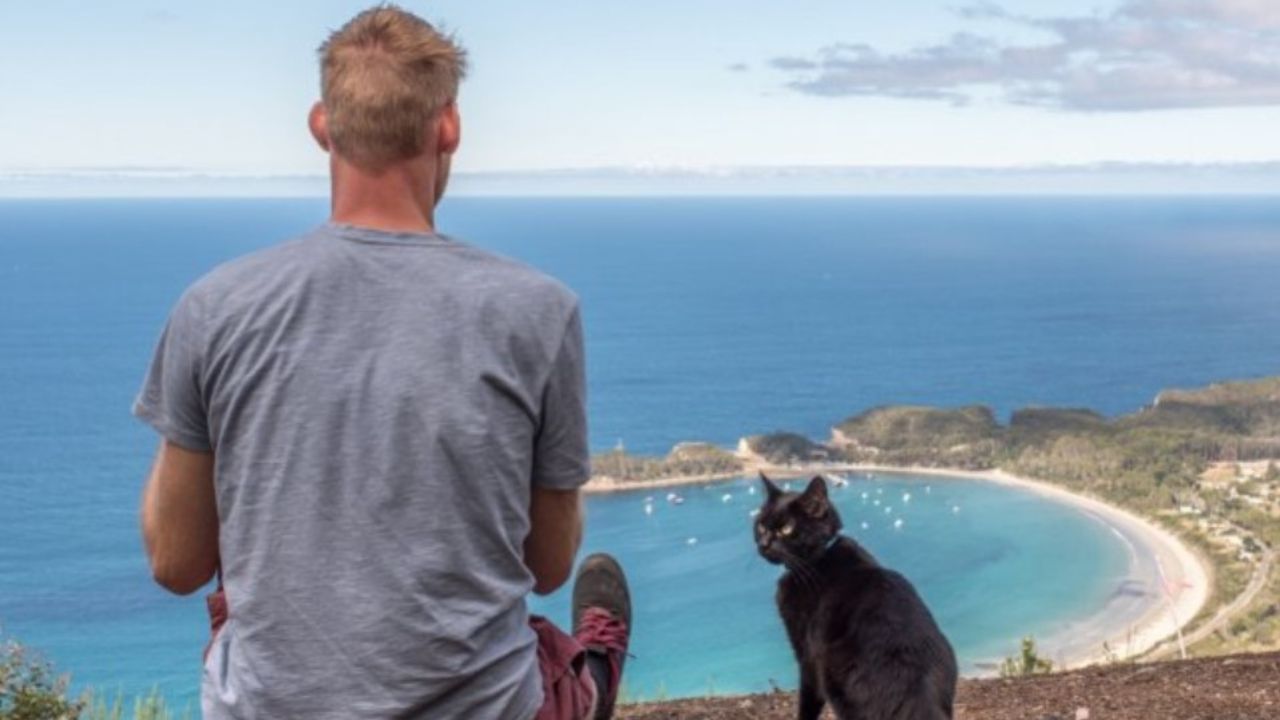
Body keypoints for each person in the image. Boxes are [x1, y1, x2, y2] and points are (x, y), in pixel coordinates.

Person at [132, 5, 630, 719]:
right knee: (554, 653)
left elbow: (176, 564)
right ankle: (596, 675)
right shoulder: (539, 310)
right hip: (482, 709)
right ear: (449, 125)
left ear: (321, 125)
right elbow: (548, 567)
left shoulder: (214, 307)